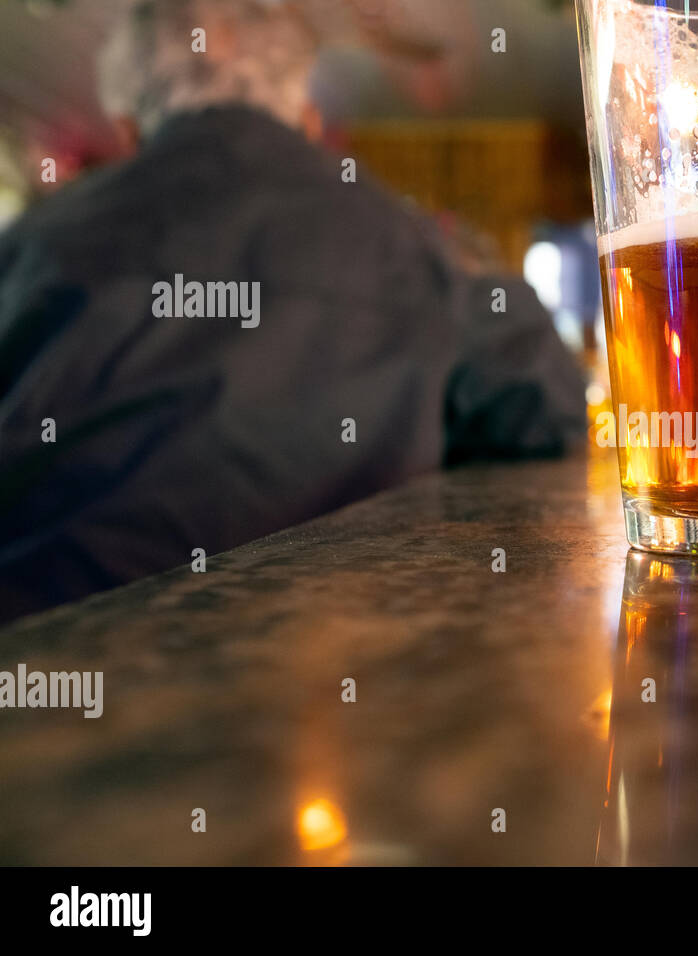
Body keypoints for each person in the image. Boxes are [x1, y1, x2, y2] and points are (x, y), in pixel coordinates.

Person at [0, 0, 587, 623]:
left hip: (40, 664)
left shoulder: (27, 250)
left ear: (126, 128)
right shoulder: (409, 245)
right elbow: (547, 410)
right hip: (322, 671)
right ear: (307, 115)